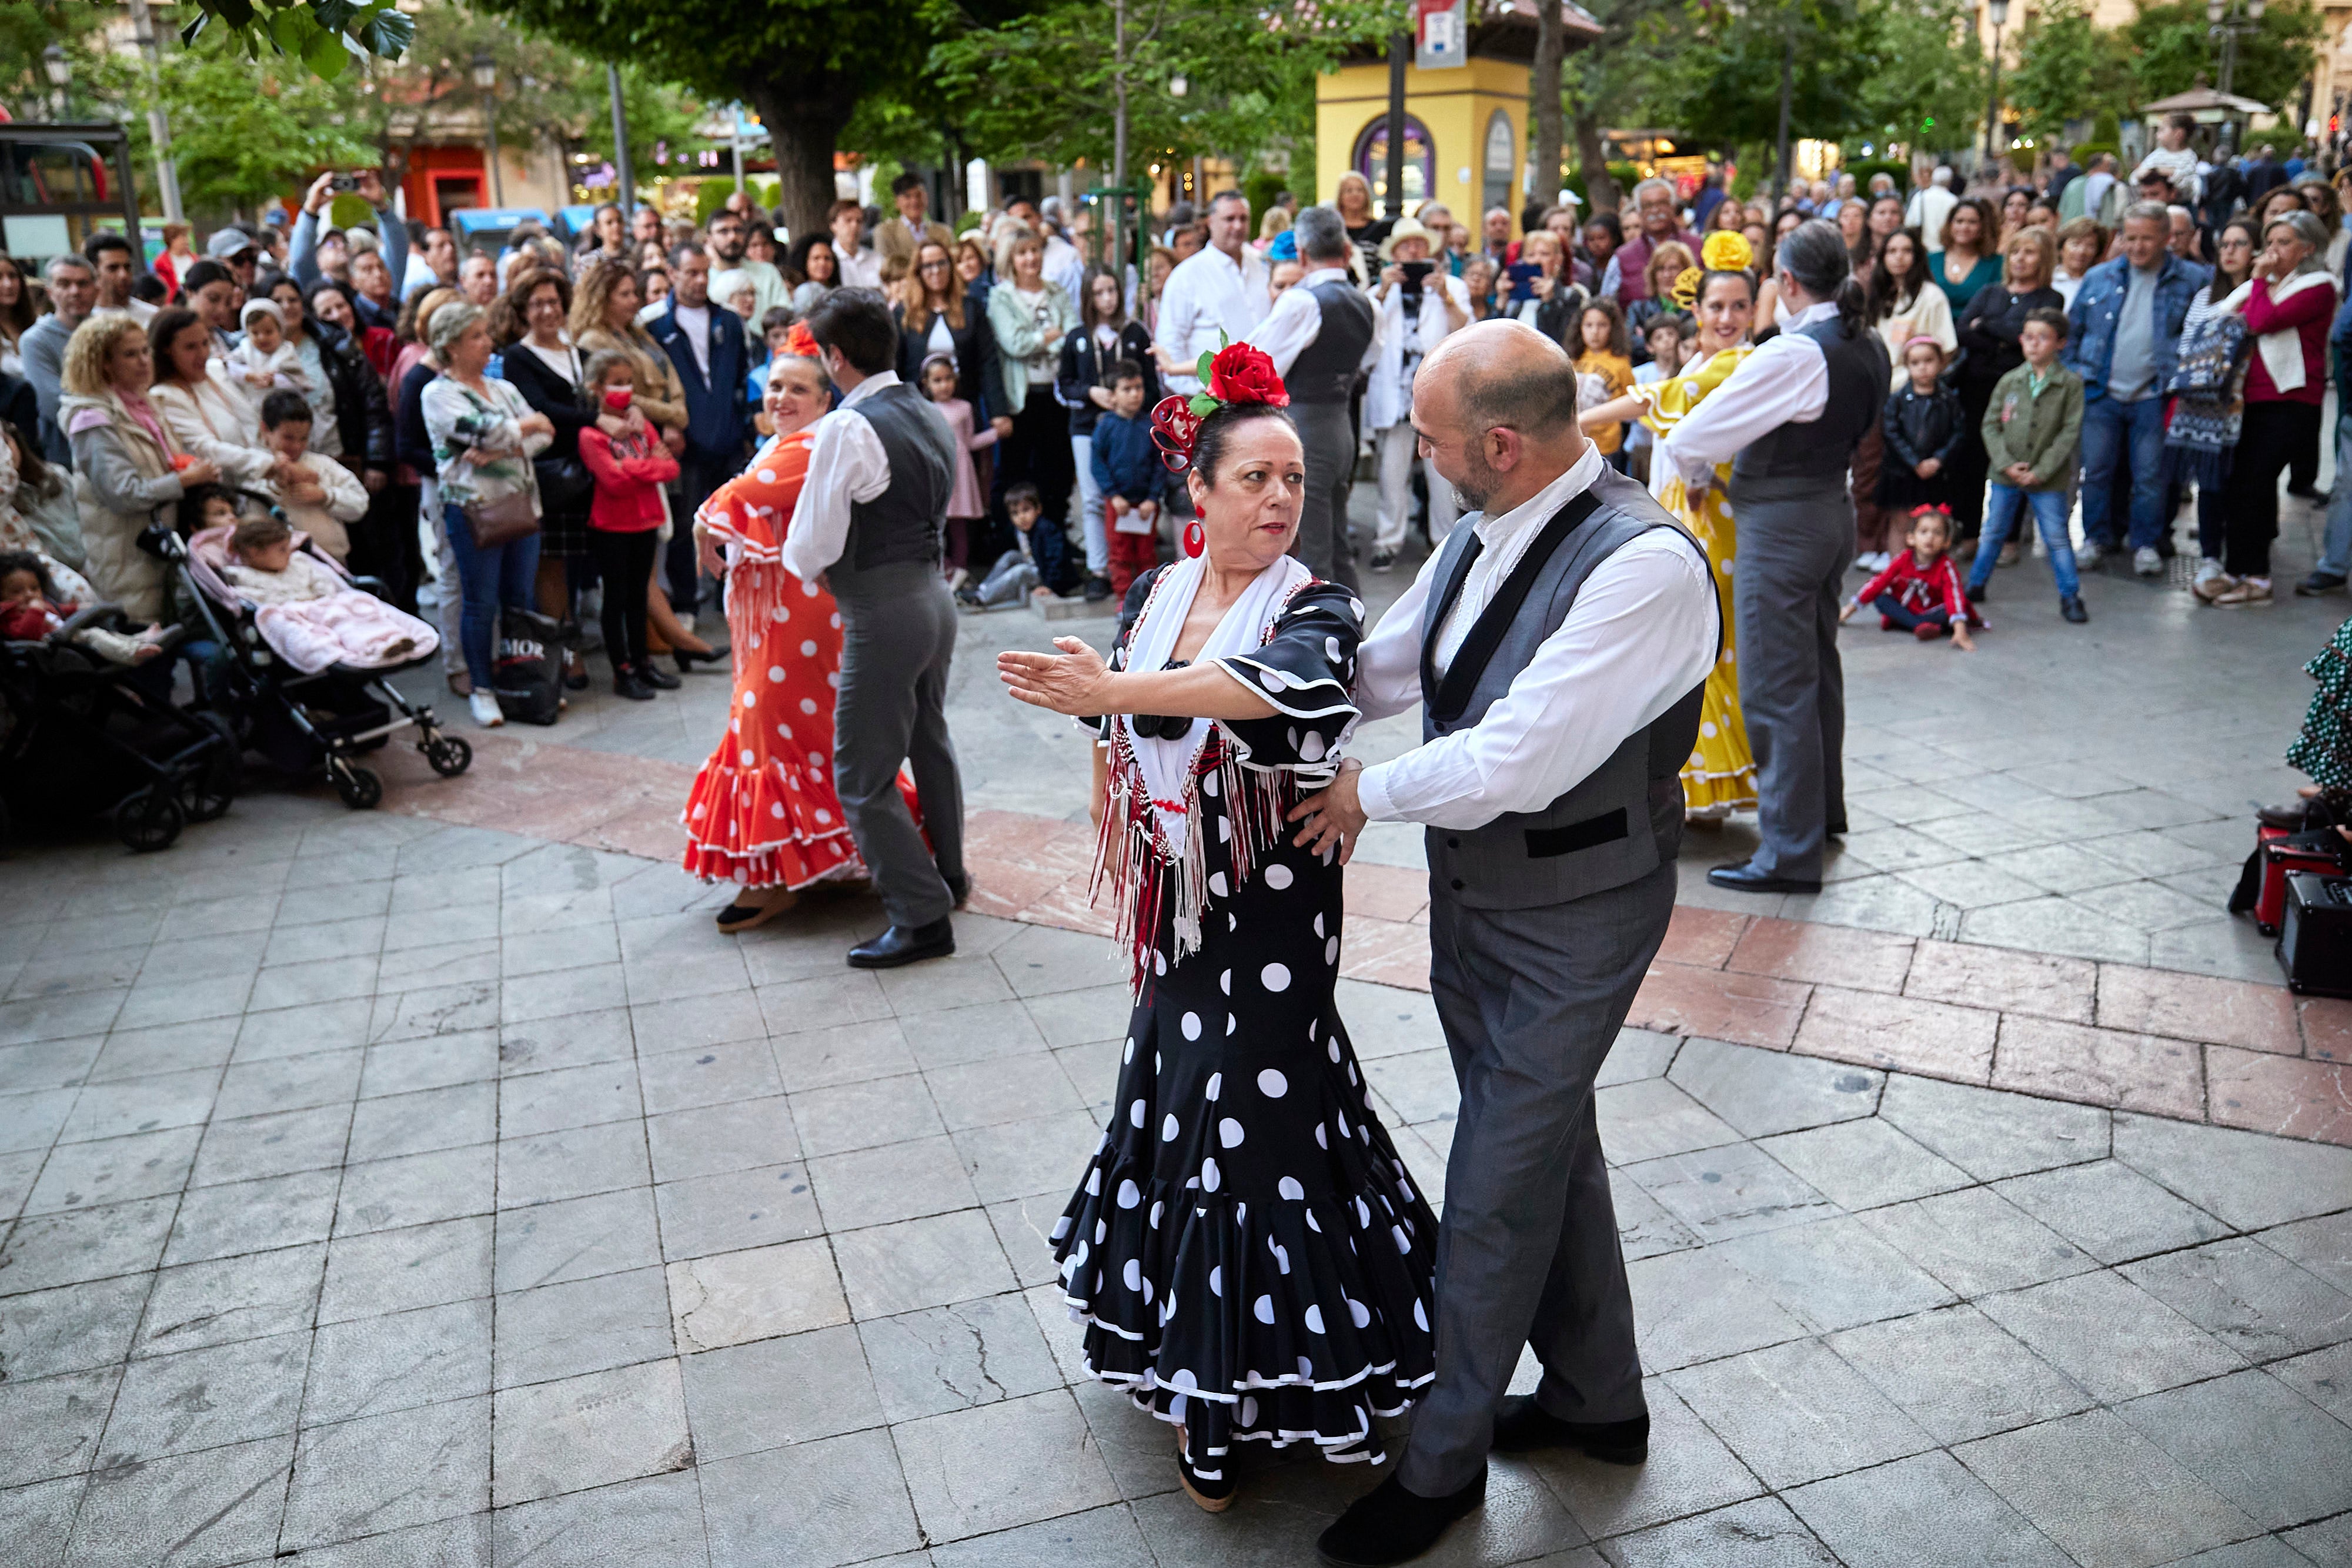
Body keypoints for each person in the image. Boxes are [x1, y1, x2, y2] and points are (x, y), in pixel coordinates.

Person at [1259, 318, 1715, 1566]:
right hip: (1479, 896)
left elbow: (1517, 756)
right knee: (1550, 1147)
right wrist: (1241, 689)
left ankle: (1441, 1462)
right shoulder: (1481, 526)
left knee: (1496, 1184)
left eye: (1432, 437)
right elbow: (1390, 666)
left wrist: (1363, 793)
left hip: (1579, 913)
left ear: (1501, 444)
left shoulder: (1644, 565)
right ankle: (1598, 1400)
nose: (1420, 452)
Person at [995, 349, 1438, 1513]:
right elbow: (1123, 739)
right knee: (1189, 1101)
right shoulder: (1152, 596)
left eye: (1294, 478)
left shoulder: (1316, 607)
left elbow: (1261, 689)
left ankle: (1220, 1394)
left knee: (1248, 1123)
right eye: (1254, 476)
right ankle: (1224, 1369)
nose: (1280, 497)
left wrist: (1115, 694)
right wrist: (1110, 744)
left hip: (1274, 913)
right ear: (1198, 488)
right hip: (1177, 904)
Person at [1659, 221, 1888, 895]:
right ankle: (1822, 815)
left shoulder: (1794, 352)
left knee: (1776, 688)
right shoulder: (1868, 341)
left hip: (1782, 524)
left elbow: (1689, 437)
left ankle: (1789, 851)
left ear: (1785, 281)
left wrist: (1696, 476)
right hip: (1830, 511)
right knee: (1818, 672)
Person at [683, 327, 916, 930]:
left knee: (765, 722)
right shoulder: (786, 443)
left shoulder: (812, 444)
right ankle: (818, 861)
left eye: (797, 389)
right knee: (800, 733)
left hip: (798, 617)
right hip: (783, 617)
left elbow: (739, 496)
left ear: (824, 398)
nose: (781, 398)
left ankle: (774, 877)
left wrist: (702, 524)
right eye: (775, 387)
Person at [783, 288, 968, 967]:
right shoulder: (926, 408)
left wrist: (805, 562)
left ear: (836, 358)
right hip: (934, 595)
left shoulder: (847, 426)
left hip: (885, 608)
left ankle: (922, 918)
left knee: (861, 775)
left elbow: (808, 547)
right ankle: (949, 877)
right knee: (929, 740)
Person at [1581, 237, 1760, 818]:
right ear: (1697, 309)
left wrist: (1575, 421)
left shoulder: (1736, 362)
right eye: (1717, 306)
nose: (1727, 317)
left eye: (1739, 306)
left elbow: (1656, 400)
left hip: (1713, 514)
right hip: (1690, 505)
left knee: (1701, 640)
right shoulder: (1707, 360)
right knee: (1696, 639)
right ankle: (1705, 782)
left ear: (1754, 309)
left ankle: (1711, 781)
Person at [572, 259, 718, 670]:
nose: (634, 301)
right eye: (624, 294)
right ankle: (642, 656)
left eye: (634, 293)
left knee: (650, 566)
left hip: (654, 439)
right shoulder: (593, 340)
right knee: (623, 586)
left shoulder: (638, 333)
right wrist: (663, 425)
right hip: (623, 469)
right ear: (601, 298)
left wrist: (672, 416)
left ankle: (654, 651)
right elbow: (620, 399)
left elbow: (672, 383)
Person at [421, 301, 554, 728]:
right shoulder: (438, 394)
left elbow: (547, 435)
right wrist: (525, 428)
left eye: (485, 334)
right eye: (476, 336)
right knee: (480, 602)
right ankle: (482, 688)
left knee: (521, 599)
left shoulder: (503, 388)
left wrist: (505, 448)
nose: (487, 343)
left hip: (521, 505)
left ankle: (524, 683)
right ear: (452, 346)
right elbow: (488, 429)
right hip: (474, 510)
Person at [2202, 210, 2337, 608]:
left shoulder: (2319, 286)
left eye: (2284, 243)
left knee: (2257, 486)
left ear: (2308, 249)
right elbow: (2225, 318)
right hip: (2251, 400)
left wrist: (2258, 279)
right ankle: (2236, 571)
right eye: (2270, 242)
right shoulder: (2271, 286)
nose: (2272, 250)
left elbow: (2261, 321)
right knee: (2241, 486)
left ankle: (2257, 578)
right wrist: (2261, 284)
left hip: (2290, 402)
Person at [2066, 202, 2210, 569]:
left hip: (2155, 394)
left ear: (2166, 238)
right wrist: (2076, 371)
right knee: (2096, 472)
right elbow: (2072, 331)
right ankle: (2096, 538)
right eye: (2130, 238)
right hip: (2101, 391)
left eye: (2147, 238)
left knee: (2151, 476)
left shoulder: (2193, 280)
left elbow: (2202, 336)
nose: (2137, 246)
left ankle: (2145, 543)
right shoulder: (2099, 276)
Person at [58, 315, 220, 623]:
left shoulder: (144, 404)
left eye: (146, 351)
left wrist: (187, 466)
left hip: (158, 554)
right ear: (104, 364)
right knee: (146, 641)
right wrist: (184, 480)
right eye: (130, 354)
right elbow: (123, 494)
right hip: (128, 561)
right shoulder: (91, 418)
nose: (144, 361)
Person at [1244, 205, 1374, 586]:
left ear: (1301, 254)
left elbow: (1255, 366)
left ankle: (1322, 623)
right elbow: (1371, 359)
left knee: (1311, 550)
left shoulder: (1302, 302)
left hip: (1304, 432)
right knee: (1336, 542)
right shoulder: (1368, 304)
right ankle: (1350, 619)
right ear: (1346, 251)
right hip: (1342, 427)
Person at [494, 266, 604, 686]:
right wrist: (597, 420)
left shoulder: (579, 353)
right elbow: (541, 408)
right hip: (552, 476)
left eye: (553, 302)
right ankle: (567, 657)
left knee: (582, 566)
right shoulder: (518, 358)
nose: (547, 311)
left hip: (591, 472)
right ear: (523, 311)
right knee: (553, 568)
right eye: (537, 303)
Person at [648, 246, 754, 633]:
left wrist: (744, 428)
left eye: (704, 272)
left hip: (728, 437)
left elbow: (742, 377)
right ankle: (686, 601)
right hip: (686, 441)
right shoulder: (655, 326)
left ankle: (732, 591)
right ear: (671, 273)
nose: (699, 280)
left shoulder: (728, 320)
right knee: (685, 524)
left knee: (733, 520)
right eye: (691, 272)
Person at [1366, 216, 1471, 571]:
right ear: (1395, 253)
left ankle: (1444, 543)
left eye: (1419, 244)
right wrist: (1382, 292)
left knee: (1442, 472)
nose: (1413, 250)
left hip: (1437, 394)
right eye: (1406, 246)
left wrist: (1444, 296)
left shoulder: (1452, 287)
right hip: (1395, 395)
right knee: (1391, 473)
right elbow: (1366, 330)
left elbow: (1466, 331)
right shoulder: (1380, 291)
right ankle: (1387, 541)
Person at [1967, 307, 2086, 620]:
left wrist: (2041, 470)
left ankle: (2071, 596)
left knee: (2056, 537)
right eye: (2029, 337)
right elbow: (1990, 425)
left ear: (2061, 343)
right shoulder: (2010, 380)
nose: (2034, 344)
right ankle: (1975, 585)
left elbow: (2069, 432)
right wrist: (2006, 463)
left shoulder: (2070, 384)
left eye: (2043, 337)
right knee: (1993, 531)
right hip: (2005, 475)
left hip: (2047, 479)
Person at [1950, 223, 2063, 543]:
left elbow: (2029, 338)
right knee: (1970, 460)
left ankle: (2008, 538)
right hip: (1975, 387)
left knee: (2014, 459)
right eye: (2015, 252)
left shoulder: (2050, 298)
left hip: (2020, 391)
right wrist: (2004, 340)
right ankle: (1969, 533)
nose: (2020, 259)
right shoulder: (1990, 292)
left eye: (2029, 253)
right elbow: (1962, 331)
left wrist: (1987, 326)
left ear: (2043, 259)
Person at [577, 348, 678, 699]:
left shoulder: (641, 424)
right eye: (616, 383)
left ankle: (643, 662)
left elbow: (671, 468)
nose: (625, 389)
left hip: (646, 520)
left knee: (639, 596)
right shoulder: (591, 434)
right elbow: (613, 482)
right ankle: (622, 671)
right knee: (616, 598)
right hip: (612, 526)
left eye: (629, 382)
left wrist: (632, 467)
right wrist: (649, 465)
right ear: (596, 388)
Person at [2170, 217, 2260, 598]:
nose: (2230, 251)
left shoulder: (2264, 293)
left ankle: (2243, 560)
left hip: (2250, 402)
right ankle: (2210, 558)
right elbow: (2189, 344)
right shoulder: (2206, 295)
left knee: (2244, 484)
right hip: (2206, 404)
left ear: (2256, 251)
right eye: (2225, 244)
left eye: (2240, 244)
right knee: (2210, 483)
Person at [985, 230, 1080, 592]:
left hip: (1055, 395)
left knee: (1057, 474)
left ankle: (1056, 549)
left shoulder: (1056, 292)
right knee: (1016, 474)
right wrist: (1047, 337)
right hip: (1021, 399)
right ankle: (1017, 550)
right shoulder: (1002, 297)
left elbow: (1072, 337)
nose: (1031, 259)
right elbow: (1014, 343)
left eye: (1035, 251)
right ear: (1011, 259)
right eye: (1022, 253)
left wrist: (1044, 341)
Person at [1057, 266, 1158, 600]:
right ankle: (1100, 570)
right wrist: (1091, 393)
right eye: (1099, 293)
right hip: (1088, 426)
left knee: (1132, 495)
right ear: (1088, 297)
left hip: (1132, 429)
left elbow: (1151, 384)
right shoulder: (1077, 337)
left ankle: (1140, 571)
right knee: (1093, 499)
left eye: (1112, 290)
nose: (1107, 299)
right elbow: (1064, 385)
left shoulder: (1136, 333)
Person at [1154, 190, 1269, 396]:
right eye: (1229, 219)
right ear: (1211, 222)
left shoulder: (1262, 266)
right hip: (1210, 398)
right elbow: (1171, 342)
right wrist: (1198, 395)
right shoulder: (1187, 276)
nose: (1238, 226)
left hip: (1262, 393)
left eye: (1243, 219)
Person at [148, 308, 276, 489]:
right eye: (190, 347)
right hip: (230, 491)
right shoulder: (165, 396)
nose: (202, 353)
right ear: (167, 351)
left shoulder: (216, 370)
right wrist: (268, 465)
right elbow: (206, 449)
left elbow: (253, 422)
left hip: (266, 473)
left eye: (205, 343)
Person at [1875, 337, 1966, 557]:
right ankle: (1899, 568)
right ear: (1907, 366)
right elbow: (1891, 433)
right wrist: (1914, 462)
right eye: (1915, 363)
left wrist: (1938, 460)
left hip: (1936, 474)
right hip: (1902, 473)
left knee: (1933, 523)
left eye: (1928, 361)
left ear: (1941, 362)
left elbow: (1958, 432)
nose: (1923, 367)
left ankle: (1929, 570)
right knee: (1901, 523)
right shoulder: (1897, 400)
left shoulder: (1948, 399)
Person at [257, 388, 367, 563]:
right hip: (283, 564)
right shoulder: (255, 468)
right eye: (288, 438)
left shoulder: (324, 465)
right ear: (265, 429)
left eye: (303, 439)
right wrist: (278, 483)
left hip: (333, 561)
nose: (296, 446)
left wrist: (325, 496)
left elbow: (360, 503)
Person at [1843, 505, 1979, 647]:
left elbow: (1953, 595)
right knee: (1881, 599)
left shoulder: (1946, 566)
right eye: (1924, 532)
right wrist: (1849, 609)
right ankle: (1920, 625)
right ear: (1911, 538)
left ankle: (1913, 624)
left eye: (1937, 533)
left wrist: (1960, 632)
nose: (1930, 537)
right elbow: (1880, 581)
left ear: (1947, 542)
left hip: (1933, 610)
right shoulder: (1903, 559)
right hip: (1908, 608)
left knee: (1957, 607)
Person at [919, 352, 997, 583]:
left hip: (959, 471)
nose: (944, 385)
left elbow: (969, 441)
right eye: (937, 380)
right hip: (935, 471)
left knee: (958, 524)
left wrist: (995, 434)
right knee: (935, 524)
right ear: (926, 383)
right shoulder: (923, 409)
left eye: (948, 379)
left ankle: (961, 569)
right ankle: (942, 568)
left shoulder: (964, 408)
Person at [1088, 360, 1162, 598]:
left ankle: (1148, 601)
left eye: (1138, 388)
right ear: (1112, 395)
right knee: (1120, 553)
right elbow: (1097, 464)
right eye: (1127, 389)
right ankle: (1123, 599)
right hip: (1118, 504)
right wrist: (1113, 495)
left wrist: (1152, 498)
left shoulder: (1150, 426)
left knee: (1146, 554)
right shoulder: (1106, 427)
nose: (1135, 394)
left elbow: (1160, 464)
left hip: (1146, 504)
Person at [24, 255, 97, 463]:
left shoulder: (112, 331)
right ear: (50, 292)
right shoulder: (35, 340)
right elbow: (55, 404)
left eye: (83, 284)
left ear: (96, 289)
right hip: (70, 455)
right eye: (64, 284)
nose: (75, 292)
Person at [1613, 179, 1703, 307]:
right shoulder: (1623, 256)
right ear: (1639, 212)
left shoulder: (1698, 245)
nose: (1655, 211)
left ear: (1673, 207)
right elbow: (1608, 302)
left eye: (1662, 203)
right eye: (1648, 206)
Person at [1573, 299, 1636, 473]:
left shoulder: (1621, 364)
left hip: (1606, 446)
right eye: (1589, 325)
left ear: (1612, 328)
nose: (1595, 332)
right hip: (1575, 442)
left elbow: (1629, 405)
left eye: (1602, 325)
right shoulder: (1572, 358)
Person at [706, 208, 790, 323]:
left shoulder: (767, 272)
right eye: (723, 231)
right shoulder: (704, 280)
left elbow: (784, 315)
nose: (732, 237)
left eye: (738, 230)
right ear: (709, 239)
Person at [1928, 199, 2000, 313]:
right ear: (1950, 224)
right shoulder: (1930, 260)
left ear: (1983, 227)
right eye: (1959, 221)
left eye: (1972, 222)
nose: (1964, 227)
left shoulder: (1996, 263)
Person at [876, 172, 954, 270]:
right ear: (897, 202)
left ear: (926, 198)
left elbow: (952, 265)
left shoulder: (944, 232)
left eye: (918, 195)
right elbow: (888, 270)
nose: (914, 201)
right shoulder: (885, 232)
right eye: (908, 196)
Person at [2134, 114, 2206, 209]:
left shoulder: (2189, 157)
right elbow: (2137, 176)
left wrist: (2156, 171)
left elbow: (2185, 181)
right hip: (2153, 206)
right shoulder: (2157, 154)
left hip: (2181, 206)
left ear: (2178, 134)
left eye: (2162, 130)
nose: (2157, 136)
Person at [1332, 169, 1393, 268]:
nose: (1355, 194)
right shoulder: (1332, 229)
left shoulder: (1379, 229)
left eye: (1360, 190)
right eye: (1349, 190)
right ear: (1340, 196)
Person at [827, 200, 880, 291]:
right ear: (834, 225)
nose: (855, 225)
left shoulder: (877, 259)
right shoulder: (828, 260)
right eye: (848, 220)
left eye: (859, 221)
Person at [1907, 165, 1959, 249]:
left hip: (1923, 247)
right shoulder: (1954, 200)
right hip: (1946, 248)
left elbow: (1910, 222)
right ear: (1950, 181)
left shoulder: (1920, 196)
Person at [786, 234, 838, 315]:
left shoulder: (837, 290)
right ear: (805, 262)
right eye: (816, 258)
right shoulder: (804, 291)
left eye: (827, 258)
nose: (822, 263)